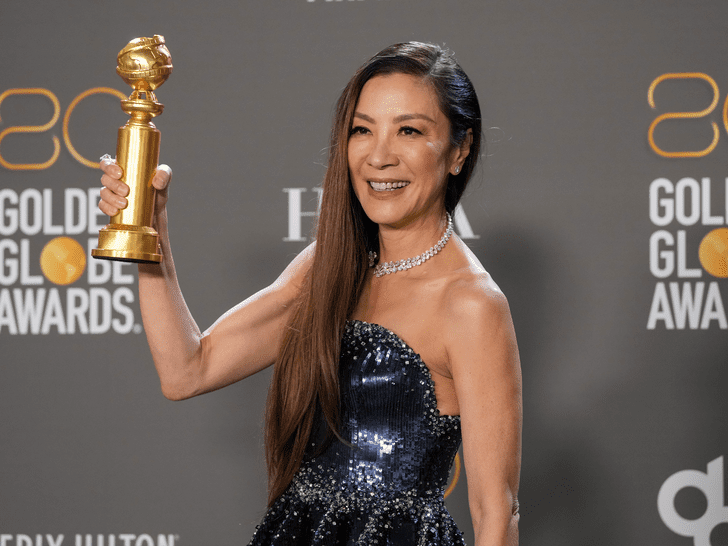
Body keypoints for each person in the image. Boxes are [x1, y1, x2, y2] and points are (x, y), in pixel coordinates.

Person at [99, 42, 521, 546]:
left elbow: (495, 513)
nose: (380, 156)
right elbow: (188, 369)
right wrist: (151, 228)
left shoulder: (470, 304)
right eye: (362, 130)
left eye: (409, 130)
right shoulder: (328, 266)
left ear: (458, 150)